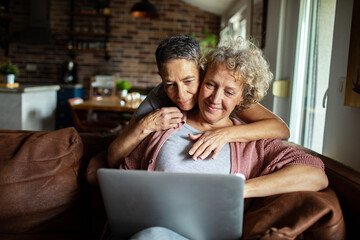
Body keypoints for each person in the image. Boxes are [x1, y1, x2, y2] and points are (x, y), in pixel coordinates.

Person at [115, 37, 328, 239]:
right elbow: (121, 172)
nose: (215, 99)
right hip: (154, 230)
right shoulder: (164, 124)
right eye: (210, 85)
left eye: (229, 92)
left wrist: (236, 190)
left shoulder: (253, 143)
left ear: (242, 98)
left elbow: (315, 175)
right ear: (202, 78)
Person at [107, 36, 290, 168]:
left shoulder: (218, 97)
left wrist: (225, 134)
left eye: (188, 81)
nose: (180, 94)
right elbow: (116, 155)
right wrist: (144, 126)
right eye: (170, 83)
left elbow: (281, 128)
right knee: (92, 173)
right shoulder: (158, 97)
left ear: (202, 72)